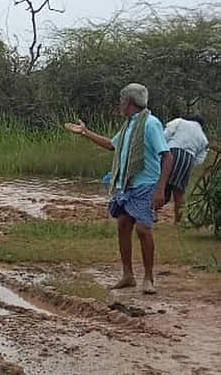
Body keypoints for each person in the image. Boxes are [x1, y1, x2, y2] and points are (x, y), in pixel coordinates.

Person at [65, 83, 171, 294]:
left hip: (144, 185)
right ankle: (127, 275)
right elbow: (112, 145)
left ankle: (148, 278)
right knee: (123, 225)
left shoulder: (150, 124)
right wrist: (85, 132)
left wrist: (160, 189)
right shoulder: (129, 125)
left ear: (129, 102)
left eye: (121, 101)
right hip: (125, 185)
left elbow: (167, 156)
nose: (120, 105)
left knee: (143, 229)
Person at [162, 115, 209, 223]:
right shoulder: (203, 138)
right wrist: (190, 163)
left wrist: (161, 149)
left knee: (161, 184)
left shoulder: (180, 122)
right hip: (189, 158)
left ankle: (152, 213)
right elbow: (200, 158)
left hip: (172, 152)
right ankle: (178, 221)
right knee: (179, 192)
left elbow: (166, 134)